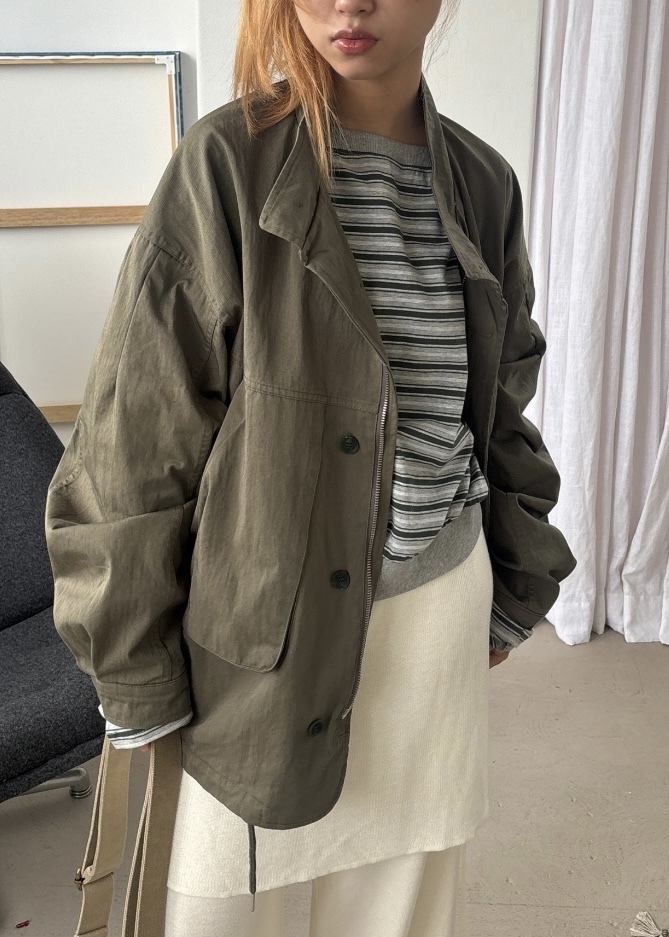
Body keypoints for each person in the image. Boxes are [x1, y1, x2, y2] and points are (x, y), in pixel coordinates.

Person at [45, 0, 577, 934]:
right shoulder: (227, 162)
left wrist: (515, 579)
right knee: (216, 905)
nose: (348, 3)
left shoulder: (483, 182)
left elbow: (498, 407)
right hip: (259, 626)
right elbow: (138, 431)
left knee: (400, 911)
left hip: (433, 612)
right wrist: (132, 665)